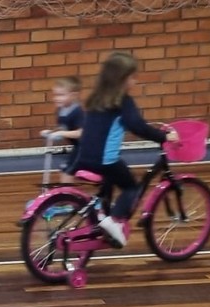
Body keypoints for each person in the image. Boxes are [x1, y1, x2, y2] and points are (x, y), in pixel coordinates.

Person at [73, 51, 179, 248]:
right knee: (132, 187)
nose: (135, 82)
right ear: (122, 79)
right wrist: (164, 137)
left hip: (84, 157)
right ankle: (113, 222)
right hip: (105, 161)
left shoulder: (96, 99)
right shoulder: (123, 102)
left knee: (110, 180)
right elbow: (138, 127)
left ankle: (102, 217)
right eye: (133, 77)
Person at [42, 76, 84, 184]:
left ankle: (67, 192)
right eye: (55, 95)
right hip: (78, 146)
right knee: (65, 168)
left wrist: (61, 133)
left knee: (67, 169)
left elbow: (81, 133)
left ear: (73, 95)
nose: (56, 98)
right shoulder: (60, 110)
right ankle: (67, 191)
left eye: (61, 95)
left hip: (87, 147)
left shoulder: (77, 112)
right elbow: (64, 127)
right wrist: (52, 132)